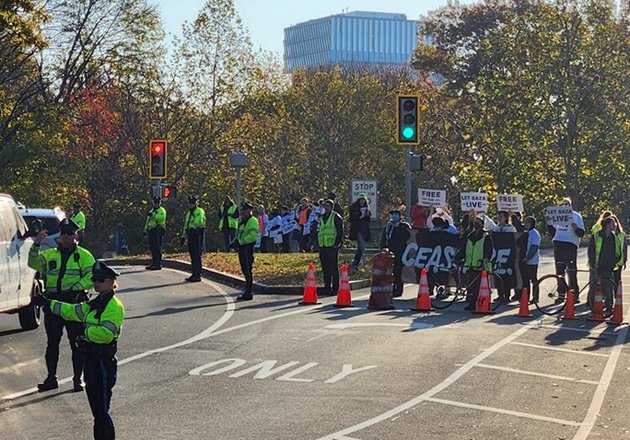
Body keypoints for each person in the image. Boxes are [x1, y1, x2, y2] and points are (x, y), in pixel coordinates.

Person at [33, 261, 124, 440]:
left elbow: (106, 335)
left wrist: (83, 331)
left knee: (101, 410)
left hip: (102, 362)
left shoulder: (113, 306)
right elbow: (72, 311)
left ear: (112, 281)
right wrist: (48, 303)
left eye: (101, 280)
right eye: (94, 280)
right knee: (97, 410)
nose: (96, 283)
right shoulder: (95, 303)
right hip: (91, 360)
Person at [27, 218, 95, 392]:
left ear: (76, 235)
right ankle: (51, 378)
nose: (65, 236)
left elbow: (91, 277)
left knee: (77, 343)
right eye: (63, 233)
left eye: (69, 233)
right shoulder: (50, 254)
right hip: (53, 304)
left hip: (73, 305)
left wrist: (76, 288)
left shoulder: (84, 256)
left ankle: (77, 379)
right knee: (52, 343)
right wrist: (36, 244)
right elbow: (32, 263)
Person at [547, 197, 585, 303]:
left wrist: (575, 228)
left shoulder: (576, 216)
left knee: (571, 271)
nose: (564, 206)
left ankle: (574, 295)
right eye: (563, 204)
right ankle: (561, 295)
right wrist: (549, 223)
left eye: (566, 204)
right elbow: (552, 232)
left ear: (570, 206)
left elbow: (582, 233)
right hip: (559, 243)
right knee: (559, 271)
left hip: (570, 244)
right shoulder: (557, 215)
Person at [587, 217, 624, 315]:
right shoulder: (597, 235)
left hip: (608, 267)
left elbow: (618, 252)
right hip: (596, 266)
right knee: (594, 288)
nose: (615, 225)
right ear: (607, 225)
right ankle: (593, 309)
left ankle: (608, 309)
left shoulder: (614, 237)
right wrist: (593, 263)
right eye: (613, 223)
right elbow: (591, 250)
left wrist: (613, 263)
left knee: (608, 288)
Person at [456, 216, 493, 311]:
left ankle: (484, 303)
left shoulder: (486, 236)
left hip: (482, 265)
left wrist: (485, 260)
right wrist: (457, 258)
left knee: (482, 286)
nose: (476, 224)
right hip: (472, 264)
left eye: (478, 222)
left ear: (482, 225)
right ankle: (471, 303)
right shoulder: (470, 236)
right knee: (472, 286)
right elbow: (464, 249)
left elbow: (489, 251)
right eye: (475, 222)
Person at [380, 209, 411, 297]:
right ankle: (391, 289)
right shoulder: (388, 226)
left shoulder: (404, 226)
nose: (393, 217)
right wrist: (383, 247)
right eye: (392, 215)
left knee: (398, 271)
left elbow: (409, 236)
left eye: (396, 215)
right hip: (389, 250)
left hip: (401, 251)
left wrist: (399, 227)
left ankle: (398, 289)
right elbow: (384, 238)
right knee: (390, 271)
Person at [233, 202, 259, 301]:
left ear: (248, 211)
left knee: (248, 270)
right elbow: (239, 233)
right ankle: (247, 291)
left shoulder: (252, 221)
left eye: (243, 210)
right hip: (242, 248)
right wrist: (235, 242)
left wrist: (240, 242)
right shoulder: (243, 221)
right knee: (244, 269)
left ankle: (249, 292)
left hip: (248, 248)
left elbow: (252, 236)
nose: (242, 212)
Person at [318, 199, 343, 296]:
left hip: (332, 246)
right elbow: (319, 231)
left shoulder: (336, 217)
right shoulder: (322, 217)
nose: (326, 207)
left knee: (333, 268)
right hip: (323, 246)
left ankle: (335, 288)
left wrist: (336, 244)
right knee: (325, 268)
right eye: (325, 206)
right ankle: (327, 287)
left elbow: (340, 232)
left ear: (332, 207)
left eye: (328, 206)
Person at [182, 195, 206, 282]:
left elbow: (198, 221)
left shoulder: (199, 211)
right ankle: (194, 273)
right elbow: (186, 225)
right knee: (192, 255)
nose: (191, 205)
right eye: (190, 203)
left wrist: (194, 228)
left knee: (197, 254)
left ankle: (198, 274)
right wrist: (183, 236)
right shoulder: (188, 214)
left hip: (197, 234)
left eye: (192, 203)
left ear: (196, 203)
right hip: (190, 234)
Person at [349, 193, 371, 270]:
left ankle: (356, 263)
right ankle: (355, 262)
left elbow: (368, 220)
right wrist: (359, 214)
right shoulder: (353, 207)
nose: (362, 201)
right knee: (361, 246)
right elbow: (351, 219)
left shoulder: (367, 207)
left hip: (364, 229)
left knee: (362, 248)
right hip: (357, 229)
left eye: (363, 200)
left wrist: (367, 214)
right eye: (361, 199)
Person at [522, 216, 541, 304]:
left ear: (530, 223)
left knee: (533, 279)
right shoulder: (526, 232)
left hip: (532, 261)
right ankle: (526, 297)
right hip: (526, 260)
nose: (525, 224)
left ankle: (535, 297)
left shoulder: (534, 234)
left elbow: (534, 247)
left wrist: (528, 257)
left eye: (526, 222)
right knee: (525, 280)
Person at [144, 197, 166, 270]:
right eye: (155, 202)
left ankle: (158, 264)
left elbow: (160, 219)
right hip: (151, 230)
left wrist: (154, 215)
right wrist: (145, 229)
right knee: (152, 247)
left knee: (157, 247)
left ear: (160, 202)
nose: (156, 203)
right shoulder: (152, 210)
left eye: (158, 202)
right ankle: (154, 263)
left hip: (158, 230)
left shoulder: (161, 210)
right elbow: (148, 221)